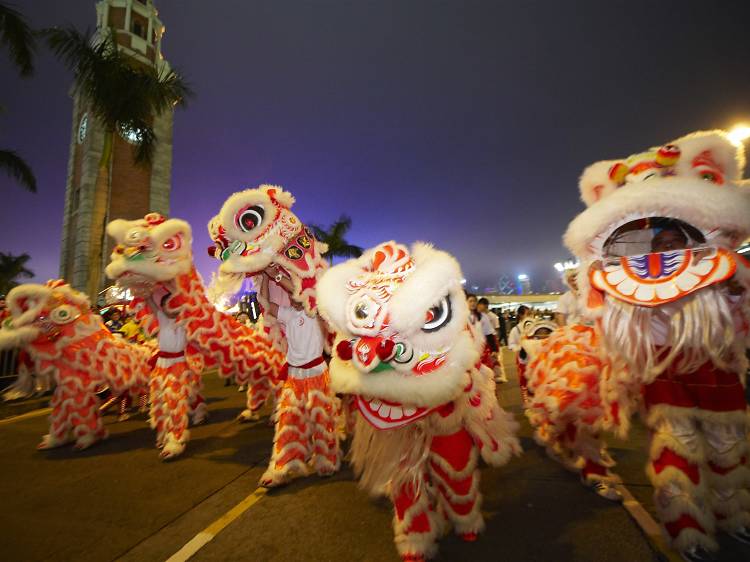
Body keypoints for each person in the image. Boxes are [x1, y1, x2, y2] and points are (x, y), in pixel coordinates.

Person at [258, 265, 340, 488]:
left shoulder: (314, 310)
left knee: (322, 420)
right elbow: (265, 304)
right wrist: (263, 277)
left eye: (297, 290)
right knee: (288, 420)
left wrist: (275, 272)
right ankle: (282, 466)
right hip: (294, 376)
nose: (294, 295)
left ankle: (327, 460)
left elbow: (300, 294)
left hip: (316, 375)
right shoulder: (288, 314)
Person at [477, 297, 506, 383]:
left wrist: (495, 342)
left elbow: (496, 330)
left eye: (480, 305)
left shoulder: (493, 316)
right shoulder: (477, 315)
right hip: (482, 340)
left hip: (490, 339)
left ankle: (498, 375)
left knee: (494, 359)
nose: (479, 307)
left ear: (485, 306)